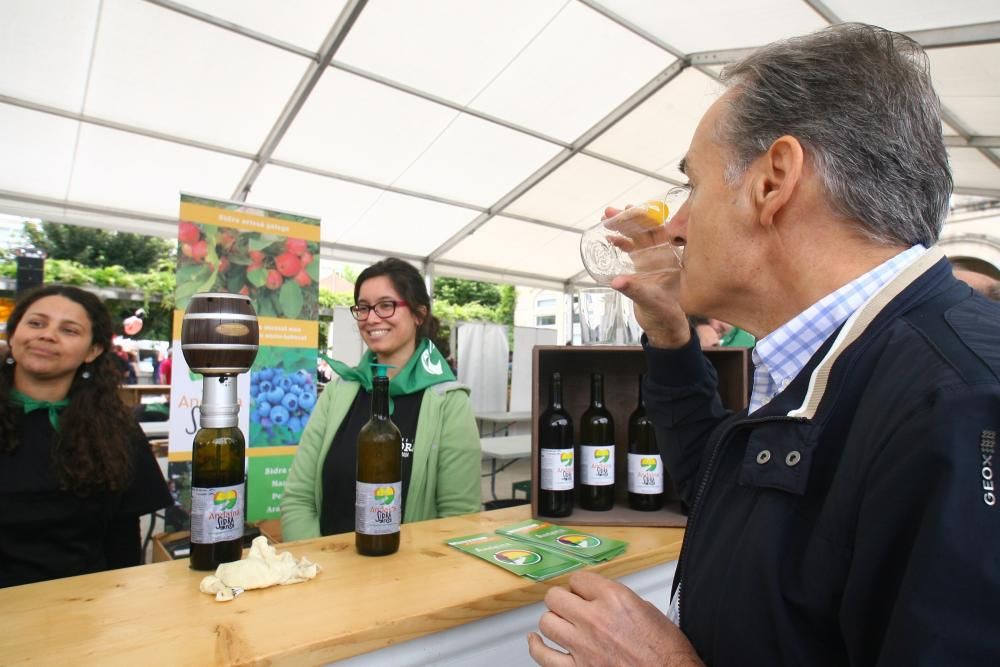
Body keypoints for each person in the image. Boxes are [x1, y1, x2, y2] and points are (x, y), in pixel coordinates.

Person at [530, 24, 1000, 666]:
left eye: (691, 185)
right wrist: (670, 335)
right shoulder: (843, 358)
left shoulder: (963, 404)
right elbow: (721, 487)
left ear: (774, 179)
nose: (679, 224)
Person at [281, 257, 480, 540]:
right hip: (327, 574)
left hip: (407, 578)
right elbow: (298, 498)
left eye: (386, 305)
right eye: (363, 307)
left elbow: (459, 520)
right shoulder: (339, 392)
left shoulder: (448, 401)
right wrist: (318, 566)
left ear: (418, 314)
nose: (372, 318)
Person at [0, 285, 172, 587]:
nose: (47, 335)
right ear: (13, 335)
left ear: (93, 350)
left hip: (84, 609)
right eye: (36, 323)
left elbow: (122, 542)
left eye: (69, 330)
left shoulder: (115, 430)